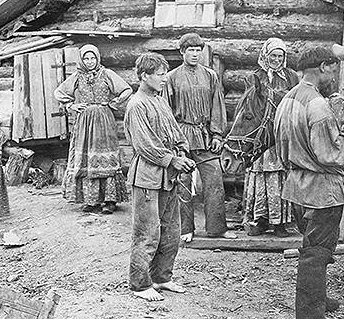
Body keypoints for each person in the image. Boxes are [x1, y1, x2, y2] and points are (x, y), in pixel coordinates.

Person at [274, 45, 344, 319]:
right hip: (322, 189)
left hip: (297, 185)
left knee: (311, 246)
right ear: (325, 67)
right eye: (334, 69)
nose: (335, 76)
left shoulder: (289, 99)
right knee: (317, 252)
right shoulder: (318, 105)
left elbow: (284, 146)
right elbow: (332, 153)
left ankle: (318, 299)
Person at [124, 52, 196, 302]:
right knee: (147, 232)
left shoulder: (160, 101)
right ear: (144, 76)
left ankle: (162, 278)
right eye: (159, 74)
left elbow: (176, 132)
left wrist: (183, 150)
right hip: (147, 178)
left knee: (171, 231)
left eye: (165, 73)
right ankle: (140, 284)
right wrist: (172, 159)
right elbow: (145, 145)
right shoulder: (137, 105)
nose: (164, 78)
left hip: (169, 177)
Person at [163, 33, 234, 241]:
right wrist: (174, 140)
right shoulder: (172, 77)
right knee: (183, 183)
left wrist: (217, 134)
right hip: (182, 135)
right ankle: (185, 230)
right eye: (190, 50)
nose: (195, 54)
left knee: (214, 181)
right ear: (182, 52)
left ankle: (216, 229)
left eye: (198, 50)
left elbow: (217, 106)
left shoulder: (210, 75)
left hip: (205, 136)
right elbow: (167, 111)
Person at [54, 44, 132, 214]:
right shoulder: (77, 76)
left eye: (93, 58)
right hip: (84, 121)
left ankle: (110, 200)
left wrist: (113, 103)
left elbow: (127, 89)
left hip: (104, 119)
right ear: (81, 60)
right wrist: (71, 105)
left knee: (105, 156)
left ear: (97, 59)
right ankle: (92, 200)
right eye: (86, 58)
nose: (90, 62)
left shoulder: (107, 74)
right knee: (88, 157)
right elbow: (59, 92)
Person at [243, 37, 299, 238]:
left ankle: (281, 223)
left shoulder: (291, 77)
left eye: (279, 56)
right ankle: (259, 220)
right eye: (272, 55)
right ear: (265, 56)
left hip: (283, 133)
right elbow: (251, 105)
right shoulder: (255, 76)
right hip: (262, 134)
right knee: (260, 175)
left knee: (280, 175)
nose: (276, 59)